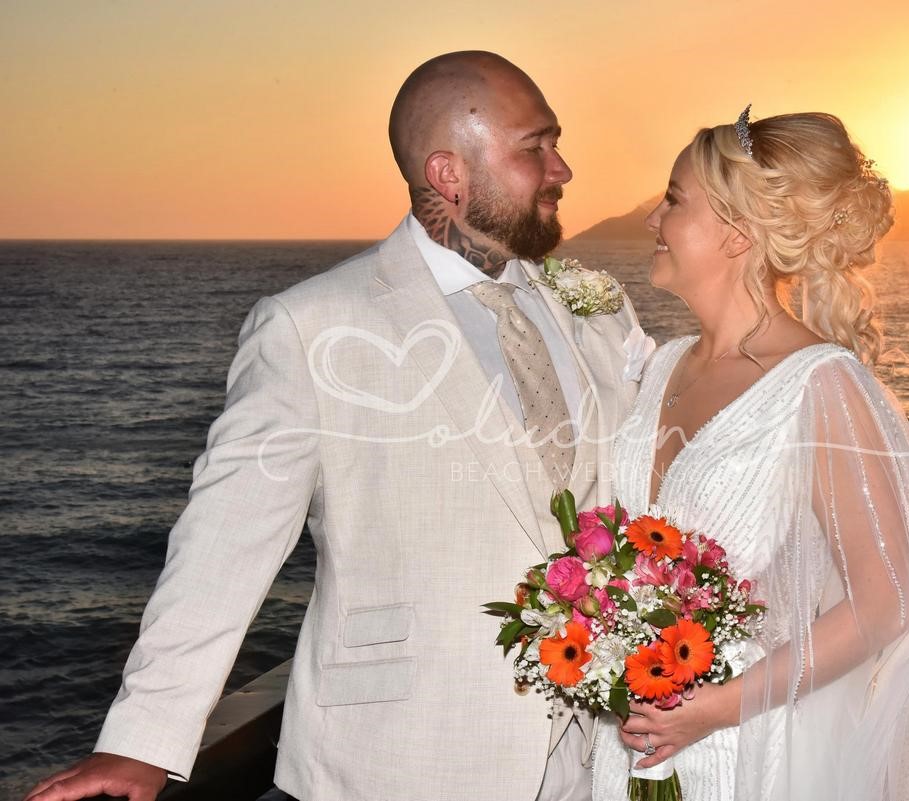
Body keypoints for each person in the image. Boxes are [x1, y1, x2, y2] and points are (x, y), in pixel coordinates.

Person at [24, 51, 645, 801]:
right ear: (448, 174)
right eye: (534, 147)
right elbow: (227, 538)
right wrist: (138, 744)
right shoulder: (310, 325)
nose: (562, 168)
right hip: (397, 761)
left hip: (596, 762)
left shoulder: (597, 310)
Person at [590, 109, 909, 800]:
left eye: (673, 200)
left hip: (746, 749)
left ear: (738, 231)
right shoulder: (663, 367)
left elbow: (885, 602)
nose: (652, 219)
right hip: (637, 739)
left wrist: (717, 708)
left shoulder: (820, 383)